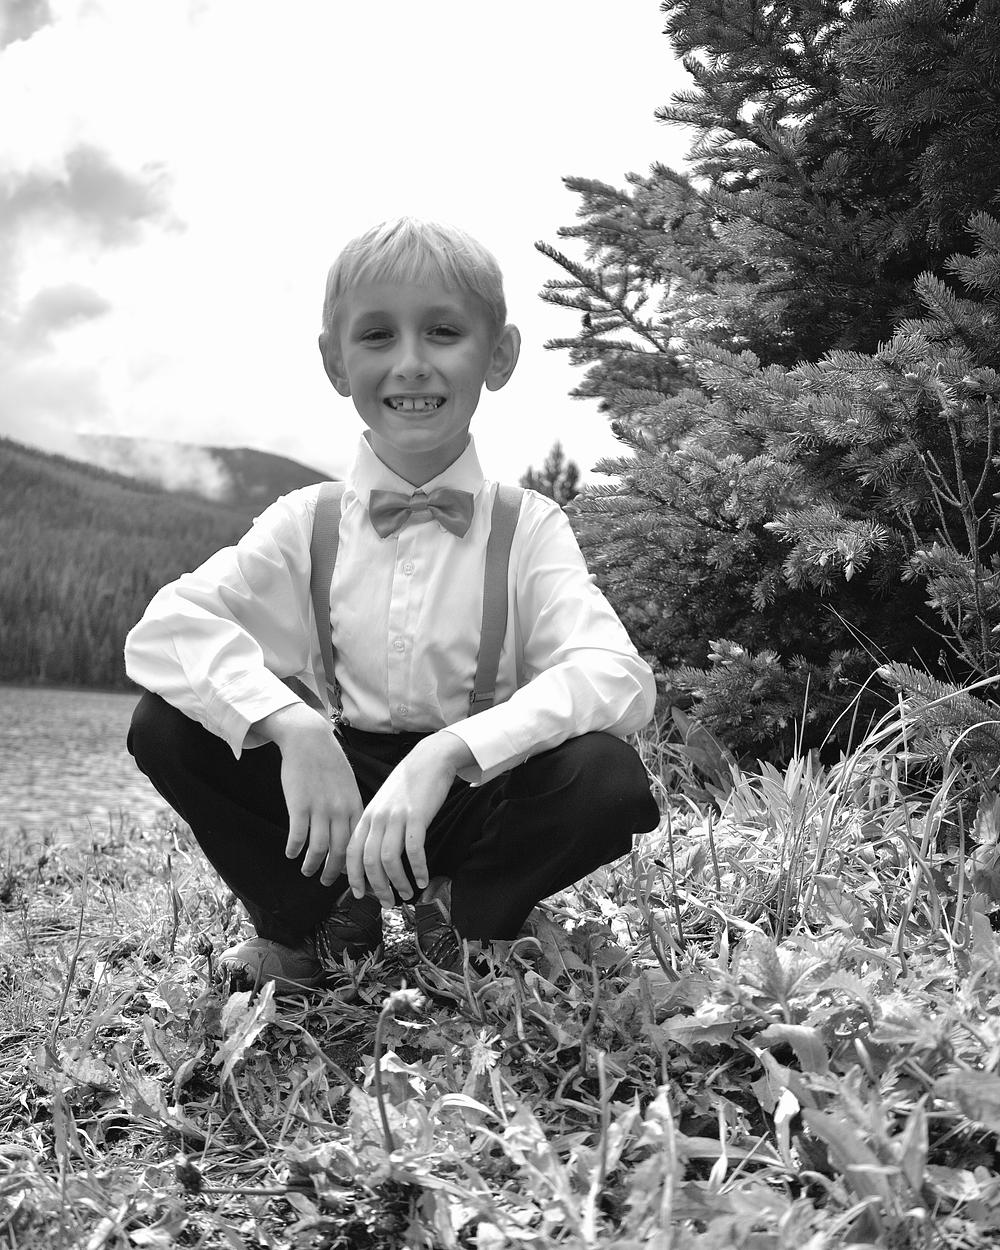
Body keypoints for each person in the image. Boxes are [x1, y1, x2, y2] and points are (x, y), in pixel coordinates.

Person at [124, 217, 660, 995]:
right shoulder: (305, 522)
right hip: (337, 790)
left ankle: (473, 912)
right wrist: (293, 724)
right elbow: (167, 630)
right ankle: (310, 919)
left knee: (605, 776)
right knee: (165, 727)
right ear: (335, 362)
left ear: (498, 356)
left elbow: (614, 675)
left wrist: (448, 753)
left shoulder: (529, 526)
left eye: (443, 331)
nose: (411, 363)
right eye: (377, 336)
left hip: (470, 791)